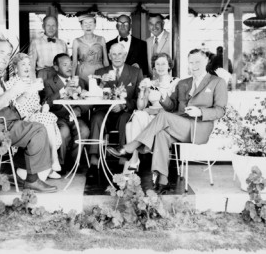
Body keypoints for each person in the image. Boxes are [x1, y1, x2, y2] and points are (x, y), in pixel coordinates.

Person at [107, 49, 228, 195]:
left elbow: (220, 110)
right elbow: (172, 106)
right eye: (191, 62)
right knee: (161, 134)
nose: (194, 65)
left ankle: (131, 147)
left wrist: (201, 112)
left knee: (163, 116)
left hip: (198, 128)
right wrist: (162, 97)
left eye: (198, 62)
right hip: (179, 125)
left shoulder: (217, 82)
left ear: (206, 62)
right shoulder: (183, 83)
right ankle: (163, 181)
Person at [0, 40, 57, 193]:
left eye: (8, 54)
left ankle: (13, 171)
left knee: (30, 126)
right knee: (37, 130)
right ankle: (32, 180)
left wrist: (24, 94)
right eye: (2, 52)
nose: (5, 57)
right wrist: (13, 91)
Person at [5, 53, 62, 179]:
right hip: (22, 119)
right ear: (15, 68)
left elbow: (35, 104)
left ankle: (48, 165)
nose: (27, 67)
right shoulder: (11, 84)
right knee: (46, 120)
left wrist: (43, 107)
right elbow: (15, 106)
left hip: (35, 115)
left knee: (47, 117)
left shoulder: (32, 82)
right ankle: (54, 159)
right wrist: (29, 92)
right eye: (23, 64)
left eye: (29, 64)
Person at [88, 43, 143, 174]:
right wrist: (101, 84)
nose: (117, 57)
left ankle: (123, 156)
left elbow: (139, 98)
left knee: (126, 119)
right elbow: (93, 98)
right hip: (105, 111)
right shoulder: (100, 72)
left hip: (124, 111)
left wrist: (124, 105)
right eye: (114, 54)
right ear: (109, 56)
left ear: (125, 56)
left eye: (120, 54)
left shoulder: (136, 72)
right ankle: (94, 157)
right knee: (96, 118)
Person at [124, 53, 180, 174]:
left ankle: (134, 161)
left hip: (165, 120)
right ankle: (136, 157)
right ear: (154, 67)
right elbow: (140, 106)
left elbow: (173, 108)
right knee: (135, 119)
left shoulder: (175, 83)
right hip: (149, 119)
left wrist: (152, 110)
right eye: (157, 64)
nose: (160, 67)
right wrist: (142, 91)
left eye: (164, 64)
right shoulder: (150, 83)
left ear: (169, 66)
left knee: (131, 124)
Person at [44, 53, 90, 171]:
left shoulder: (80, 81)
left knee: (84, 131)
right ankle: (60, 164)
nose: (69, 68)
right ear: (56, 67)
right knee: (63, 132)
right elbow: (48, 103)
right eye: (65, 65)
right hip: (58, 118)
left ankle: (75, 163)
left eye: (71, 64)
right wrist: (64, 89)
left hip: (75, 117)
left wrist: (79, 109)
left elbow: (90, 101)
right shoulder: (49, 82)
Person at [28, 15, 68, 81]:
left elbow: (67, 64)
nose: (51, 28)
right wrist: (33, 82)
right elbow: (31, 65)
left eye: (53, 25)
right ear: (43, 26)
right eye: (48, 25)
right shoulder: (35, 42)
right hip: (42, 76)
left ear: (57, 26)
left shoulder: (62, 43)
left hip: (59, 76)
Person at [72, 14, 109, 82]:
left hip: (99, 72)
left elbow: (105, 61)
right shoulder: (76, 41)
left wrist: (108, 75)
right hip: (82, 73)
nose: (88, 26)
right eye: (85, 23)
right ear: (81, 26)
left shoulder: (101, 39)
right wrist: (72, 79)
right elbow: (74, 63)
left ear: (95, 25)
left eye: (91, 23)